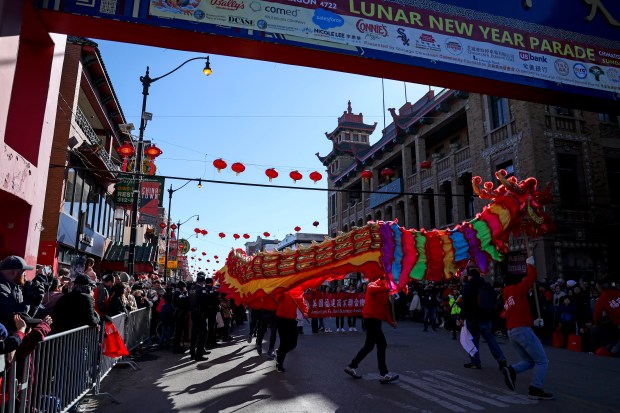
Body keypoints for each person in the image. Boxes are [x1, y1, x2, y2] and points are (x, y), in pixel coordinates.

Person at [501, 256, 554, 400]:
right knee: (542, 360)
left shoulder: (507, 297)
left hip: (512, 332)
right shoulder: (517, 291)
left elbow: (506, 314)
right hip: (522, 330)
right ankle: (535, 388)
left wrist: (533, 322)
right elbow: (531, 278)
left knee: (530, 361)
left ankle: (511, 370)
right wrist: (530, 264)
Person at [344, 276, 399, 383]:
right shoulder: (372, 285)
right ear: (383, 279)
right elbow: (372, 290)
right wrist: (389, 289)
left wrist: (391, 322)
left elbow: (385, 309)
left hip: (376, 320)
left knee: (369, 346)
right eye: (388, 281)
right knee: (381, 344)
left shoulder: (385, 291)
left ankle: (352, 366)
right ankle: (383, 373)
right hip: (370, 319)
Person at [460, 267, 507, 370]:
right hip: (486, 316)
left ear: (470, 276)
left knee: (474, 340)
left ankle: (475, 362)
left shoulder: (469, 286)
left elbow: (465, 303)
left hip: (474, 318)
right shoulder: (487, 285)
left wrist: (462, 317)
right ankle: (501, 358)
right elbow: (494, 298)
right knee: (490, 339)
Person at [0, 255, 43, 330]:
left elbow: (26, 317)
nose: (25, 276)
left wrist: (36, 301)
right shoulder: (1, 288)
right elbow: (14, 319)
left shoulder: (15, 286)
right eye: (23, 272)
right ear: (13, 272)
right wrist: (29, 298)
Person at [274, 287, 308, 372]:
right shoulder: (283, 289)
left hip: (292, 320)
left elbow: (302, 303)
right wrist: (281, 291)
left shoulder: (298, 290)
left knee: (293, 343)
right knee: (284, 342)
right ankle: (279, 363)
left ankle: (280, 353)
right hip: (281, 319)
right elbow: (276, 298)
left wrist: (305, 312)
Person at [591, 279, 620, 356]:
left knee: (613, 351)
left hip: (617, 325)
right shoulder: (618, 293)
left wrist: (598, 323)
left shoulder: (601, 300)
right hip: (616, 325)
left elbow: (596, 317)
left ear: (599, 287)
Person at [188, 272, 209, 361]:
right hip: (201, 314)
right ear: (203, 281)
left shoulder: (191, 288)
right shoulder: (202, 290)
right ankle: (199, 355)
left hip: (193, 313)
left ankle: (192, 353)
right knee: (203, 333)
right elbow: (205, 303)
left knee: (194, 333)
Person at [172, 281, 190, 354]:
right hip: (179, 313)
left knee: (179, 331)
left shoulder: (178, 292)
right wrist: (186, 293)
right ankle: (176, 348)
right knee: (178, 332)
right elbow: (184, 299)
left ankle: (178, 347)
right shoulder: (177, 293)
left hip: (181, 313)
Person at [204, 277, 221, 349]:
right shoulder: (212, 289)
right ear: (211, 282)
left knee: (212, 327)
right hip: (212, 310)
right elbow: (215, 299)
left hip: (207, 310)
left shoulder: (204, 289)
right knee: (212, 327)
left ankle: (212, 342)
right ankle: (209, 343)